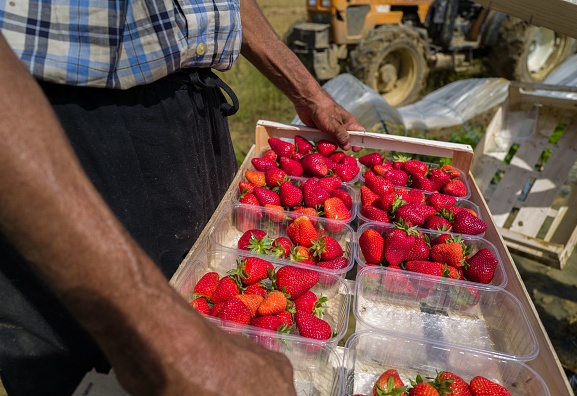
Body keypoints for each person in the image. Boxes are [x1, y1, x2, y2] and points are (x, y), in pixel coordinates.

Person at [0, 0, 364, 394]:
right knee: (103, 370)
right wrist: (179, 342)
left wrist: (307, 93)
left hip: (186, 105)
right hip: (51, 135)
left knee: (217, 302)